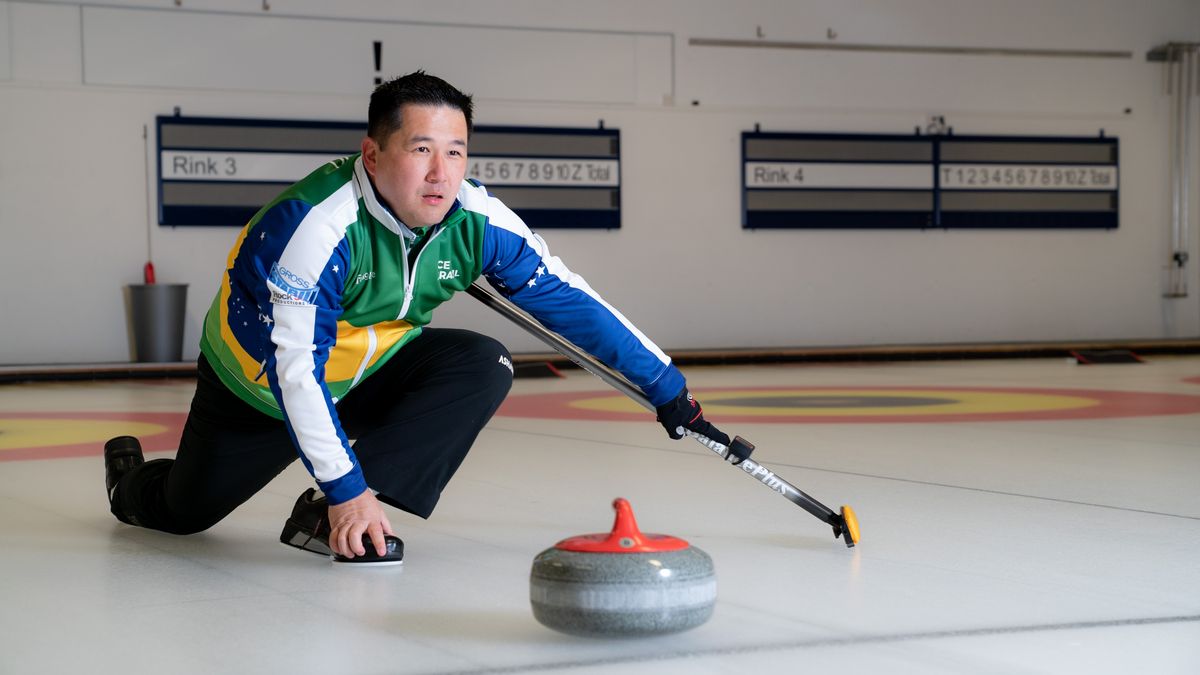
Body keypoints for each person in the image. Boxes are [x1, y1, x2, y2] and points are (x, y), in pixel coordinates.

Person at [104, 71, 732, 564]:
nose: (442, 172)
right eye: (422, 149)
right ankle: (129, 483)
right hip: (262, 387)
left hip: (372, 366)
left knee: (481, 362)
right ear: (373, 155)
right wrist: (351, 491)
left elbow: (570, 302)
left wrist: (667, 388)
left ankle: (323, 520)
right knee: (184, 511)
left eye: (456, 152)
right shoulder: (315, 227)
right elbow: (295, 370)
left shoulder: (476, 220)